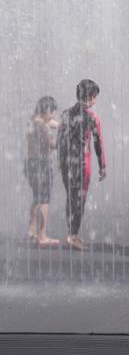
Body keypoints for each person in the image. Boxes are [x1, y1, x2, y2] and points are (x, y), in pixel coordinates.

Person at [57, 79, 106, 251]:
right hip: (83, 162)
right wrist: (103, 166)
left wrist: (60, 161)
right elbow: (98, 143)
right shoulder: (92, 117)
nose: (96, 100)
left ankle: (72, 234)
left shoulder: (65, 113)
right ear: (92, 96)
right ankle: (72, 235)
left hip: (67, 162)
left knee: (71, 197)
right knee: (80, 199)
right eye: (96, 97)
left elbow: (60, 140)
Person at [25, 96, 60, 247]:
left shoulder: (32, 121)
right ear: (46, 110)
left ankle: (31, 231)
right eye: (52, 112)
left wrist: (61, 125)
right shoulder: (43, 127)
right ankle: (42, 236)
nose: (52, 116)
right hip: (42, 164)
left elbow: (51, 123)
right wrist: (64, 142)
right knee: (44, 199)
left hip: (30, 163)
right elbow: (51, 144)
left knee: (37, 197)